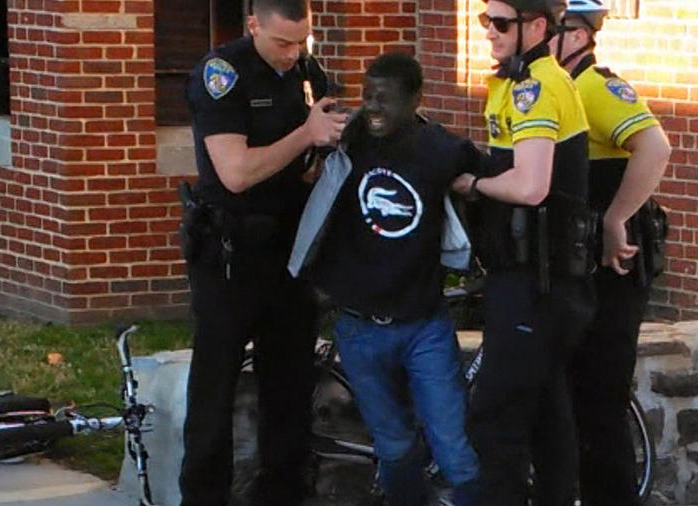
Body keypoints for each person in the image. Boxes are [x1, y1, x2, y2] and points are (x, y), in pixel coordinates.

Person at [177, 0, 348, 504]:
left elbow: (310, 163)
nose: (292, 53)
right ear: (253, 25)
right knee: (216, 383)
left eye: (302, 41)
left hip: (290, 250)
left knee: (290, 386)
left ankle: (283, 493)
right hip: (231, 252)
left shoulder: (308, 72)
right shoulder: (223, 73)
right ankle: (204, 495)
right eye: (281, 43)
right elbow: (236, 172)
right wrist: (307, 135)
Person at [304, 52, 481, 506]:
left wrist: (472, 189)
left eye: (386, 98)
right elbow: (303, 161)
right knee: (395, 447)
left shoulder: (439, 148)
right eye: (367, 96)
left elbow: (498, 176)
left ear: (416, 99)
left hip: (424, 326)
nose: (374, 107)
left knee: (455, 450)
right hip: (360, 328)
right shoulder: (351, 139)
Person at [451, 0, 596, 504]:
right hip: (543, 280)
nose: (489, 31)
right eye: (484, 20)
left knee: (495, 420)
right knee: (546, 417)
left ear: (536, 27)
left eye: (501, 23)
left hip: (534, 282)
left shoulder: (535, 87)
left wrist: (473, 182)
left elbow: (531, 186)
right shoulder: (523, 82)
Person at [550, 1, 671, 504]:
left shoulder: (593, 86)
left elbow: (655, 147)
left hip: (612, 266)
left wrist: (616, 217)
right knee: (575, 398)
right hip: (579, 261)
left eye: (550, 29)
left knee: (601, 399)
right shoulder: (554, 89)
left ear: (577, 36)